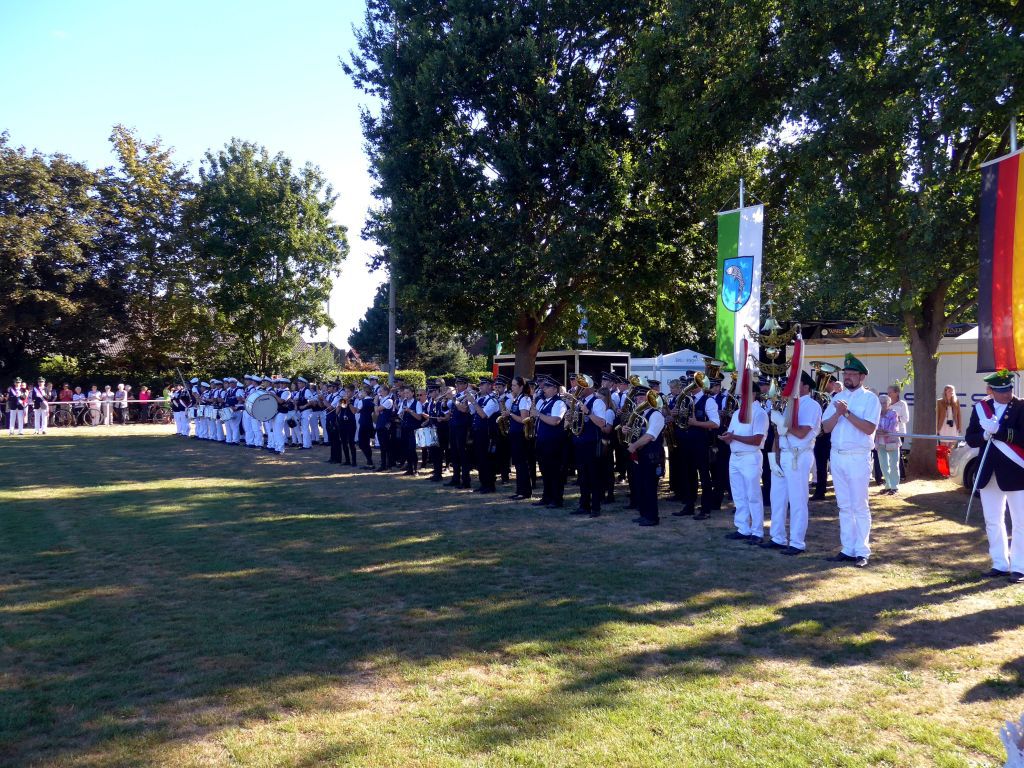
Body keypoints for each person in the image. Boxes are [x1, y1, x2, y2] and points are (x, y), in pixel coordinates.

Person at [821, 353, 882, 568]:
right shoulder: (836, 398)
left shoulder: (870, 399)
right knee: (844, 506)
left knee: (859, 506)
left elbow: (869, 428)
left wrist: (846, 414)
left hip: (858, 456)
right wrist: (838, 413)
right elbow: (826, 427)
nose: (847, 377)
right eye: (845, 373)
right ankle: (847, 548)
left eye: (852, 374)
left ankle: (862, 551)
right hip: (837, 456)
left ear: (862, 377)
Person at [964, 370, 1024, 583]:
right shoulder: (981, 409)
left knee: (1020, 522)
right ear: (990, 390)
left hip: (1015, 471)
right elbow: (970, 438)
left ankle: (1019, 567)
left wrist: (999, 431)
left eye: (1009, 389)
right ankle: (1000, 563)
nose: (1007, 394)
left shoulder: (1021, 406)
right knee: (992, 520)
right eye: (1001, 390)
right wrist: (984, 434)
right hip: (988, 472)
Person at [766, 371, 823, 555]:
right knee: (777, 498)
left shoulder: (811, 405)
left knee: (797, 500)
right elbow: (778, 435)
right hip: (783, 454)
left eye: (794, 383)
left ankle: (797, 542)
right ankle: (777, 537)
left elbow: (801, 433)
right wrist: (773, 458)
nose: (789, 387)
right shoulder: (789, 404)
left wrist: (783, 423)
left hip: (798, 455)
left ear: (806, 386)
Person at [722, 384, 770, 543]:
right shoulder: (737, 413)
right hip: (735, 456)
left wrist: (734, 437)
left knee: (753, 495)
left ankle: (757, 532)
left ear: (753, 394)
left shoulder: (759, 413)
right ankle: (743, 528)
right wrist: (727, 438)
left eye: (744, 392)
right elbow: (732, 435)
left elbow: (757, 440)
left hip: (750, 457)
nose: (741, 396)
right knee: (739, 495)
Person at [625, 384, 665, 527]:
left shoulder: (656, 415)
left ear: (649, 399)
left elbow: (649, 436)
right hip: (640, 455)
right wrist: (626, 430)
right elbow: (635, 433)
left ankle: (652, 517)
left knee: (649, 486)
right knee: (641, 485)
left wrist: (634, 446)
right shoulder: (640, 414)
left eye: (642, 397)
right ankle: (644, 514)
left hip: (651, 455)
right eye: (637, 397)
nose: (638, 399)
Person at [570, 374, 609, 518]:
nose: (578, 389)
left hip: (592, 444)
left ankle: (596, 508)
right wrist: (570, 417)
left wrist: (588, 412)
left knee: (594, 476)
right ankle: (584, 505)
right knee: (582, 476)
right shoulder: (579, 402)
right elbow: (577, 422)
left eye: (582, 386)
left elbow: (602, 423)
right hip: (580, 443)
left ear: (590, 388)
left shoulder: (597, 402)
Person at [532, 377, 567, 508]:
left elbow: (555, 421)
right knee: (545, 470)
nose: (544, 389)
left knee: (554, 471)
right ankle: (546, 497)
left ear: (555, 389)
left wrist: (538, 414)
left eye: (547, 387)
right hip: (542, 441)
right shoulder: (544, 402)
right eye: (544, 387)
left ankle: (556, 499)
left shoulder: (559, 403)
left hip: (553, 443)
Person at [506, 376, 534, 499]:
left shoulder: (524, 399)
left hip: (521, 435)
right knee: (517, 464)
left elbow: (524, 419)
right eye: (511, 385)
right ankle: (520, 490)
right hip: (515, 433)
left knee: (522, 464)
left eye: (514, 385)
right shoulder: (517, 399)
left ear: (521, 387)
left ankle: (525, 491)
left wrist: (510, 414)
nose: (512, 388)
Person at [875, 394, 901, 495]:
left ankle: (894, 487)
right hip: (880, 442)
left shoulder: (893, 413)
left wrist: (882, 430)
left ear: (889, 404)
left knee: (894, 464)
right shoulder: (875, 413)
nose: (882, 404)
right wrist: (878, 430)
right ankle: (888, 485)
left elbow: (893, 427)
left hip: (892, 442)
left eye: (884, 402)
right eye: (880, 402)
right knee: (883, 465)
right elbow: (873, 426)